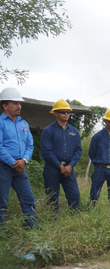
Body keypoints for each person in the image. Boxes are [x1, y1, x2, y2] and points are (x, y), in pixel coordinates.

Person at [0, 88, 38, 228]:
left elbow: (30, 145)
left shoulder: (24, 124)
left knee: (28, 198)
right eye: (15, 103)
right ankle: (2, 234)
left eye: (19, 103)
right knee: (1, 202)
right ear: (5, 105)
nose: (19, 106)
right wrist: (13, 162)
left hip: (20, 168)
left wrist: (23, 161)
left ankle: (33, 228)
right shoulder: (1, 123)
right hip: (3, 167)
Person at [41, 99, 82, 211]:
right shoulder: (48, 131)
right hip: (52, 168)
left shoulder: (74, 131)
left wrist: (70, 166)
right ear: (55, 113)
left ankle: (74, 219)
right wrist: (60, 166)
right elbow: (46, 152)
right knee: (52, 197)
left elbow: (78, 150)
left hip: (69, 168)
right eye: (63, 112)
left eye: (68, 112)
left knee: (75, 196)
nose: (66, 114)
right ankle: (53, 221)